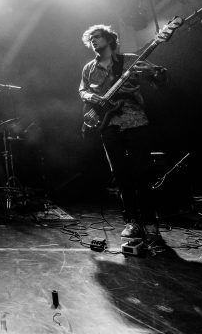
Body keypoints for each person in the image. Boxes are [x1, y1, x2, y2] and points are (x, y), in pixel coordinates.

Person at [78, 23, 169, 245]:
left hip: (135, 122)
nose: (94, 42)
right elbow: (82, 90)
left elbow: (160, 81)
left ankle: (150, 222)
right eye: (91, 40)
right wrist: (93, 98)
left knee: (143, 174)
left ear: (109, 39)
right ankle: (132, 222)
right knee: (120, 176)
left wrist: (154, 72)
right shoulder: (89, 68)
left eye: (97, 37)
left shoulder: (130, 60)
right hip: (108, 126)